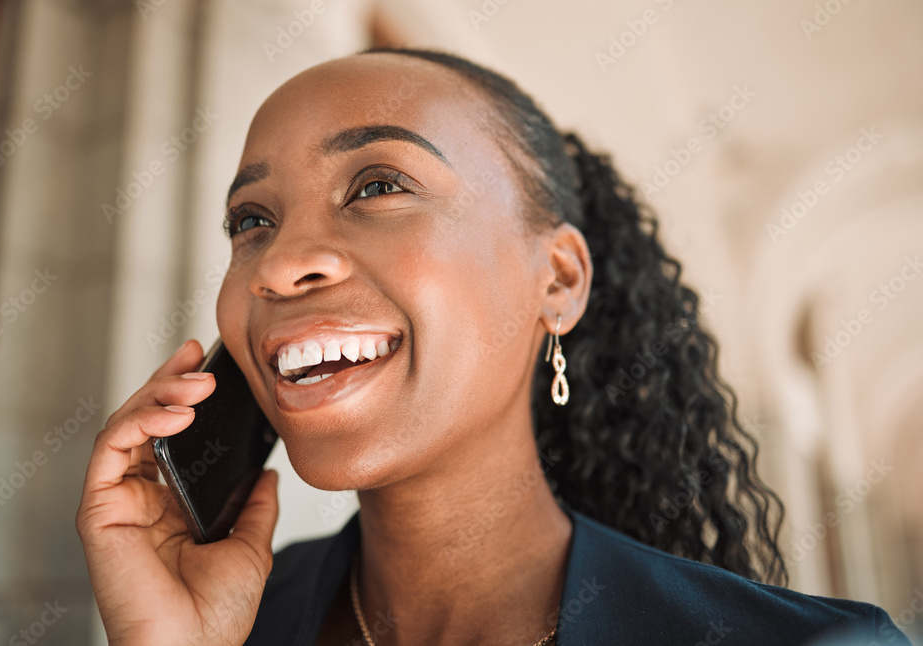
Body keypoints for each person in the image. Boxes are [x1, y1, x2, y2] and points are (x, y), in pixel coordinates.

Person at [76, 48, 911, 645]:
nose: (283, 264)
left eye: (376, 187)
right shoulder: (230, 622)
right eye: (251, 222)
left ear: (556, 280)